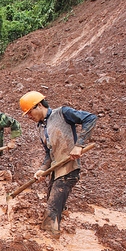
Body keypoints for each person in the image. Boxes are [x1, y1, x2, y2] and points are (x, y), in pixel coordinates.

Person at [19, 91, 98, 236]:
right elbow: (49, 153)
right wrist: (42, 169)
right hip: (56, 171)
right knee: (53, 204)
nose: (29, 117)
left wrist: (79, 145)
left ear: (39, 105)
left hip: (68, 170)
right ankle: (57, 226)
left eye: (30, 113)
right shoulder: (41, 128)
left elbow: (91, 118)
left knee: (51, 211)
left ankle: (51, 241)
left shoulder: (63, 113)